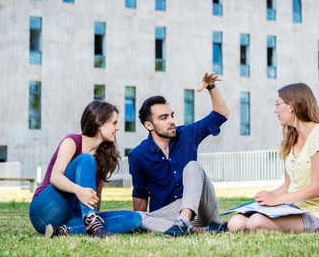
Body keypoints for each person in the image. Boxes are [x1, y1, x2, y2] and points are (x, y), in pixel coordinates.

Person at [128, 72, 230, 237]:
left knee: (192, 166)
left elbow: (221, 115)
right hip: (168, 216)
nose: (172, 121)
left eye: (172, 115)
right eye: (164, 118)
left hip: (201, 209)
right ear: (149, 125)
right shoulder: (138, 155)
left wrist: (211, 87)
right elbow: (140, 195)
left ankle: (184, 222)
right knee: (135, 217)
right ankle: (199, 229)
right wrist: (142, 223)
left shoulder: (188, 134)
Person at [227, 83, 319, 233]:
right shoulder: (291, 137)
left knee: (256, 222)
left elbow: (317, 189)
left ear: (291, 107)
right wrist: (268, 197)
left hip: (317, 214)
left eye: (277, 104)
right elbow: (288, 184)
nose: (275, 110)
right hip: (293, 207)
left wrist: (276, 200)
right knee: (235, 223)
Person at [29, 101, 142, 238]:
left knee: (134, 218)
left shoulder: (104, 158)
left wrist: (94, 218)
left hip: (74, 214)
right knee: (86, 159)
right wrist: (78, 190)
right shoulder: (72, 141)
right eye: (114, 123)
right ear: (100, 123)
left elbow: (96, 196)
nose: (117, 128)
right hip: (45, 210)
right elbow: (56, 177)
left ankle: (66, 230)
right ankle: (90, 224)